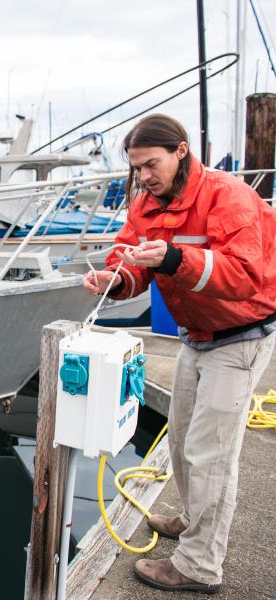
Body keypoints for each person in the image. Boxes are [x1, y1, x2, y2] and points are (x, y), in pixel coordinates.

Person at [84, 114, 276, 594]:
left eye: (151, 164)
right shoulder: (147, 202)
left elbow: (246, 276)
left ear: (181, 152)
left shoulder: (226, 195)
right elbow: (130, 257)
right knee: (182, 441)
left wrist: (173, 259)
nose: (144, 177)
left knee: (211, 455)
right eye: (137, 168)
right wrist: (116, 279)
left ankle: (199, 566)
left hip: (241, 335)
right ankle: (194, 520)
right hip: (197, 334)